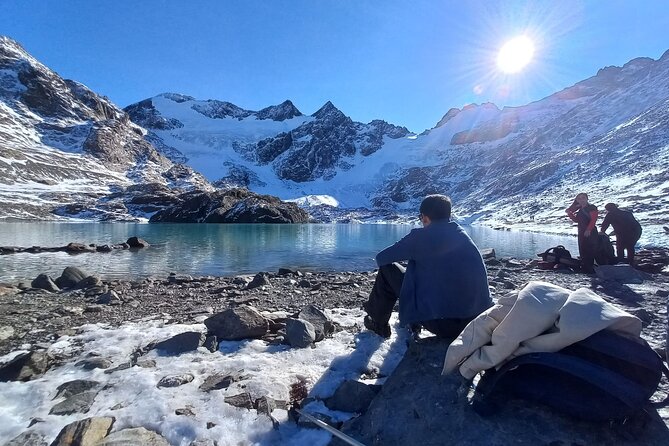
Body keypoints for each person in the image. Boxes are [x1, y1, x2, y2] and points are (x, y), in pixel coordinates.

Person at [362, 194, 492, 340]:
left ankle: (378, 324)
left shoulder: (420, 238)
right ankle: (414, 322)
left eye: (420, 218)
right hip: (477, 321)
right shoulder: (461, 235)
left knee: (388, 270)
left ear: (425, 217)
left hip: (443, 324)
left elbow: (381, 258)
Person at [565, 193, 599, 273]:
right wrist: (570, 214)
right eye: (579, 199)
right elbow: (577, 220)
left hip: (590, 232)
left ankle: (590, 269)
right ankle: (585, 268)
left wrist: (588, 229)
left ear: (587, 199)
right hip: (581, 231)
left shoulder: (591, 207)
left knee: (589, 250)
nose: (581, 200)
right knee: (582, 249)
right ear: (577, 200)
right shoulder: (580, 209)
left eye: (583, 198)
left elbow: (593, 219)